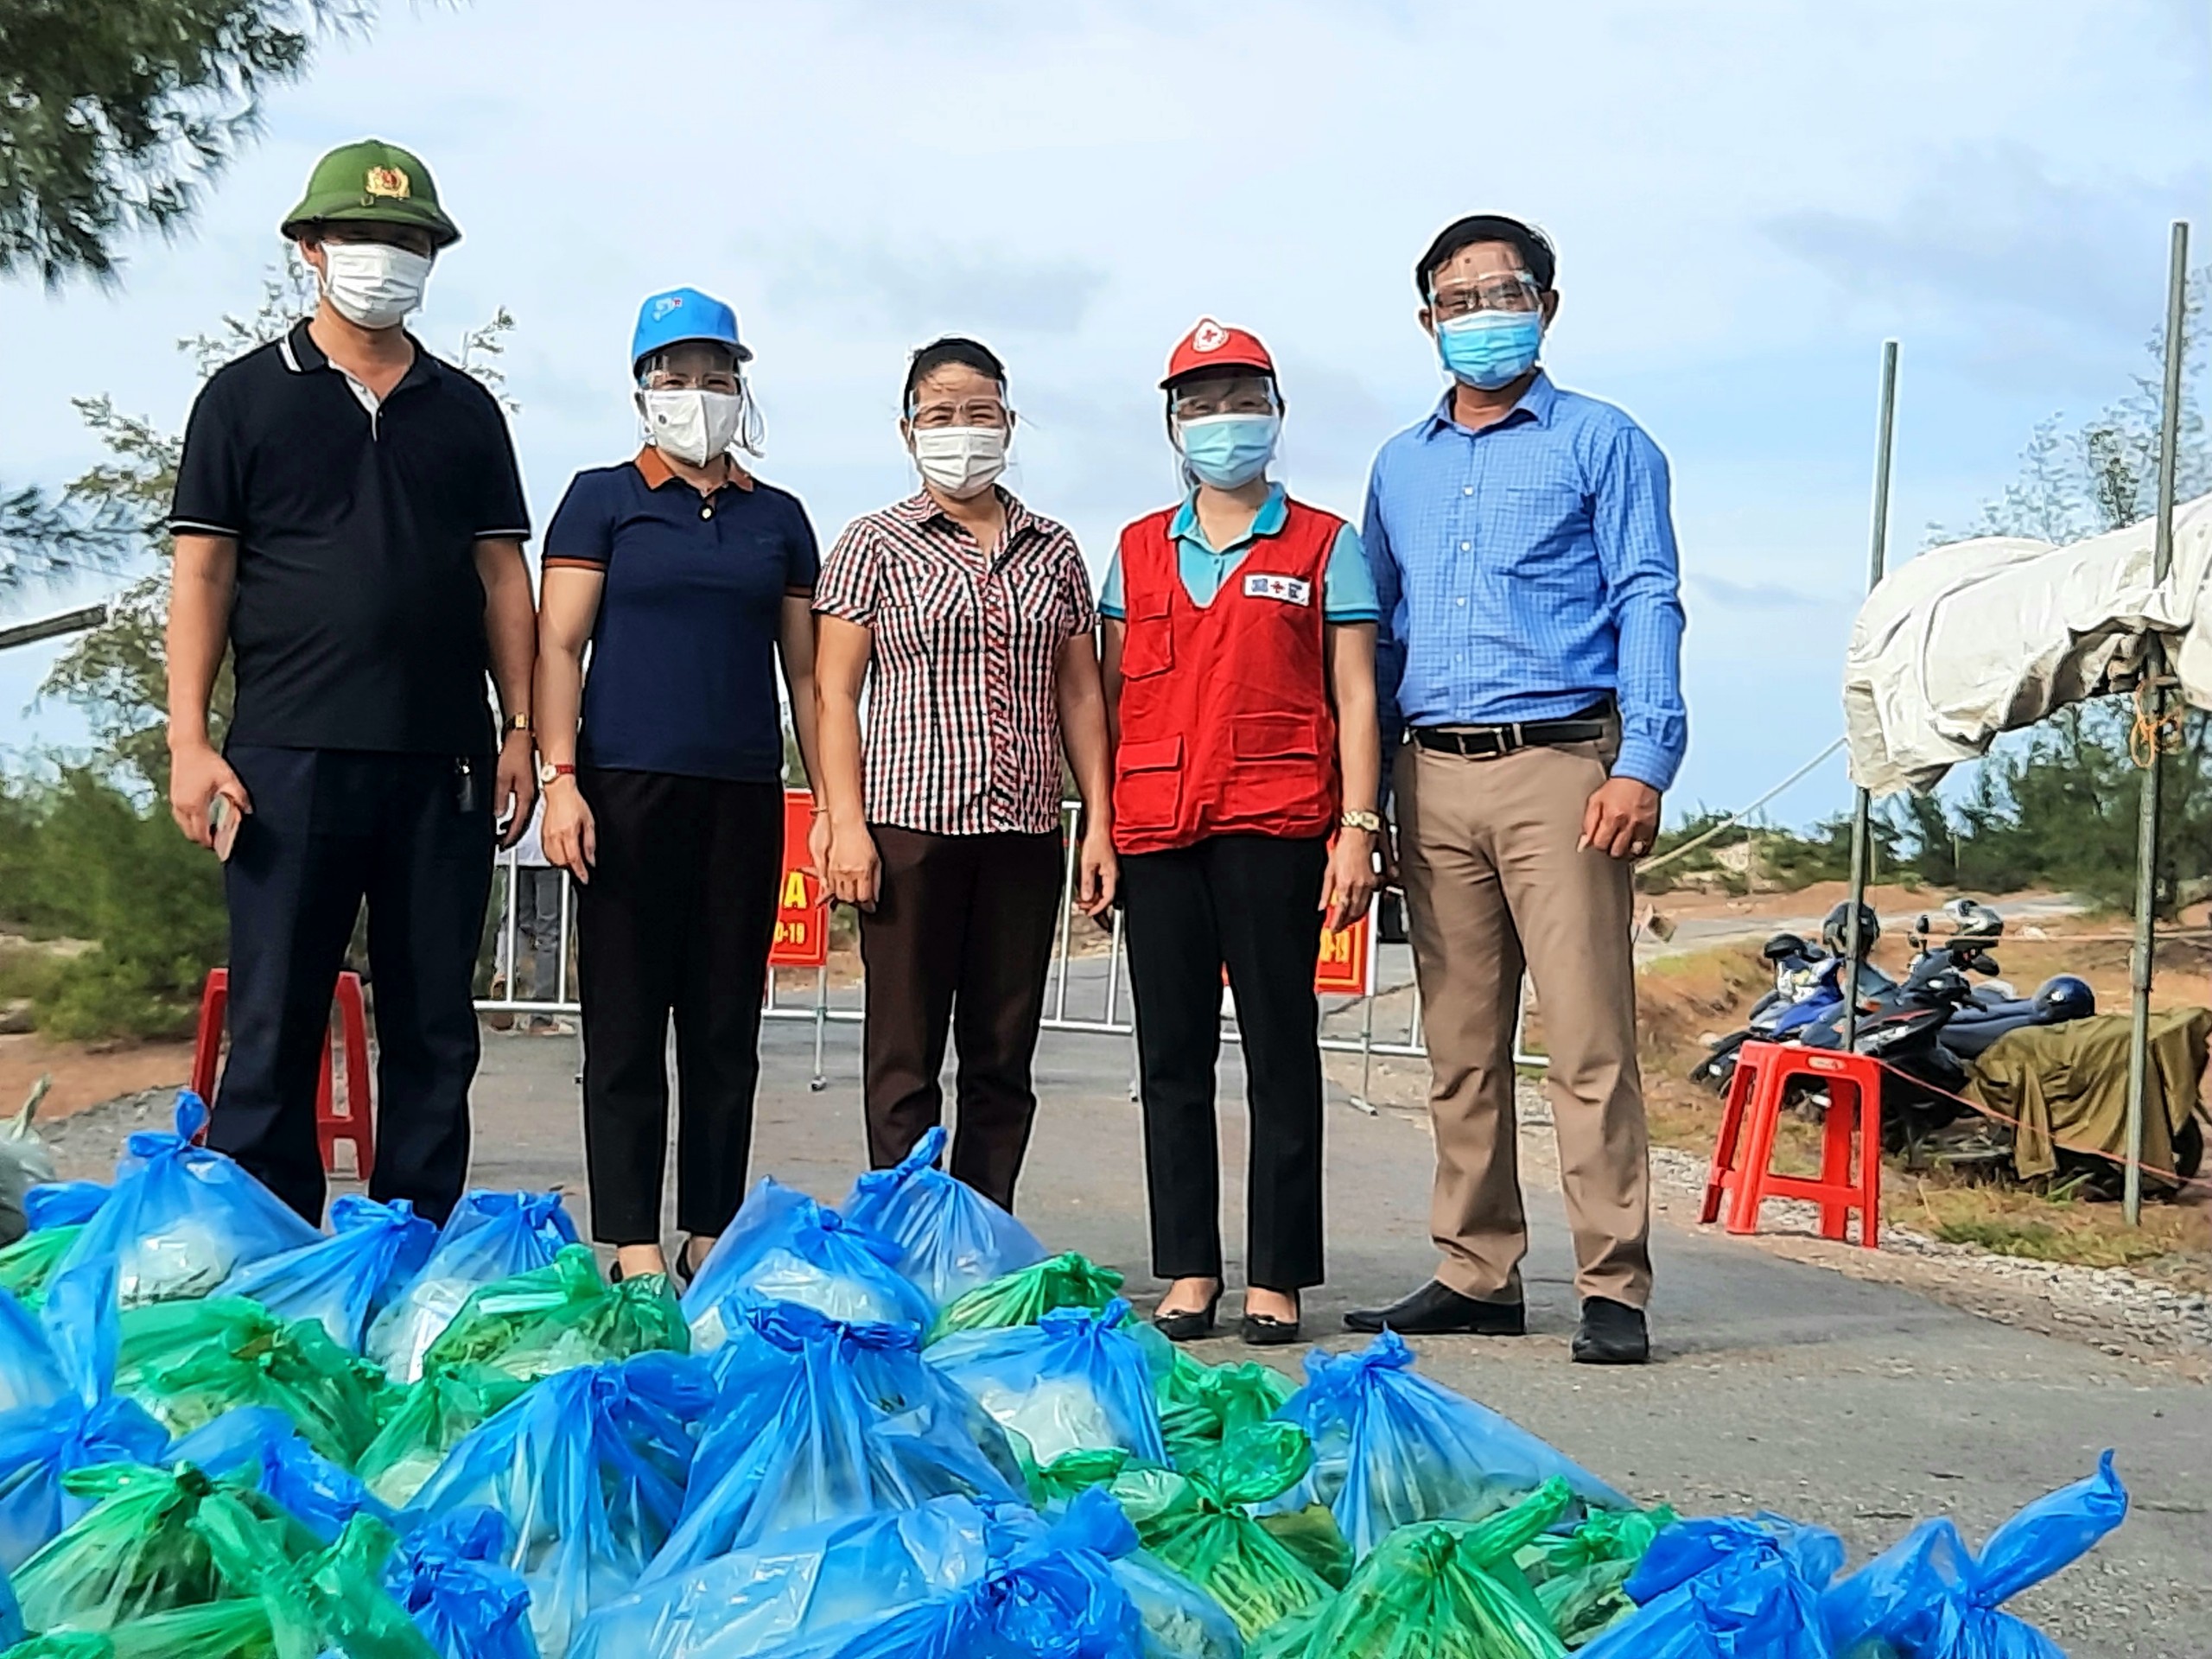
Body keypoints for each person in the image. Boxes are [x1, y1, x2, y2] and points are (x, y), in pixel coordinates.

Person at [164, 139, 536, 1227]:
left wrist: (519, 731)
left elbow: (503, 578)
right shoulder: (242, 399)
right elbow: (204, 571)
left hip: (444, 760)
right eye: (365, 237)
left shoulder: (464, 410)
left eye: (410, 240)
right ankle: (262, 1244)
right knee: (274, 1014)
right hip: (286, 753)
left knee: (433, 1023)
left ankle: (408, 1244)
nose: (387, 258)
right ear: (309, 249)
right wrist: (190, 739)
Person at [1351, 215, 1687, 1364]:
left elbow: (1649, 596)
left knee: (1587, 1038)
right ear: (1426, 319)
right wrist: (1372, 795)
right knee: (1458, 1041)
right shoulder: (1401, 464)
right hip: (1431, 770)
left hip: (1563, 766)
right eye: (1457, 297)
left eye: (1503, 291)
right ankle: (1478, 1266)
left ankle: (1614, 1282)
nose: (1480, 313)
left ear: (1547, 303)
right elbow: (1376, 633)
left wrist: (1645, 759)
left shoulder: (1605, 443)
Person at [1101, 320, 1382, 1347]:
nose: (1223, 423)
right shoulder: (1135, 552)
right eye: (1200, 404)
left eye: (1240, 400)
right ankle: (1186, 1269)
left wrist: (1357, 828)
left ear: (1273, 411)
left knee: (1279, 1049)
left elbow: (1355, 697)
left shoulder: (1321, 544)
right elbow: (1108, 692)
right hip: (1158, 827)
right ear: (1173, 424)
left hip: (1276, 823)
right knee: (1170, 1056)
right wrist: (1097, 827)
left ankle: (1275, 1276)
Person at [534, 288, 823, 1287]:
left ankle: (711, 1227)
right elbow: (559, 643)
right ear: (641, 388)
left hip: (740, 791)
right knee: (623, 1021)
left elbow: (810, 678)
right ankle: (631, 1238)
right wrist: (559, 777)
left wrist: (830, 802)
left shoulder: (776, 519)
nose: (695, 394)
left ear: (742, 387)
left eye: (715, 377)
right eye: (675, 376)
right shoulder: (602, 498)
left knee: (721, 1024)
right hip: (621, 787)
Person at [813, 337, 1115, 1211]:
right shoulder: (872, 543)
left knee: (1001, 1054)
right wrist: (845, 820)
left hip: (1021, 828)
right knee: (904, 1054)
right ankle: (905, 1228)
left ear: (1008, 424)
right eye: (941, 416)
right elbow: (836, 692)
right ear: (909, 432)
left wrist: (1096, 818)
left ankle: (980, 1232)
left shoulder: (1052, 548)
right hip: (909, 826)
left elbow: (1081, 695)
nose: (962, 432)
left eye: (979, 414)